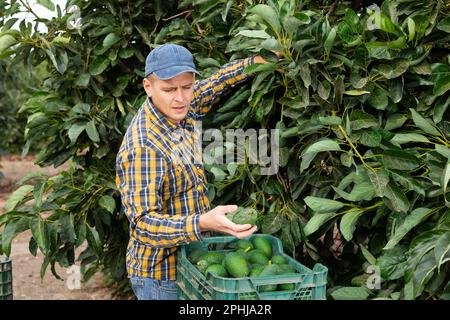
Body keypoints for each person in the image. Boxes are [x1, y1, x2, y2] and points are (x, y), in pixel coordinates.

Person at [115, 43, 271, 300]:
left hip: (191, 263)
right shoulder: (144, 147)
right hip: (161, 276)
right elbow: (143, 224)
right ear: (148, 87)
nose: (180, 97)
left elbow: (217, 83)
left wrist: (258, 61)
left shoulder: (179, 105)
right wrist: (202, 222)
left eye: (186, 87)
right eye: (169, 89)